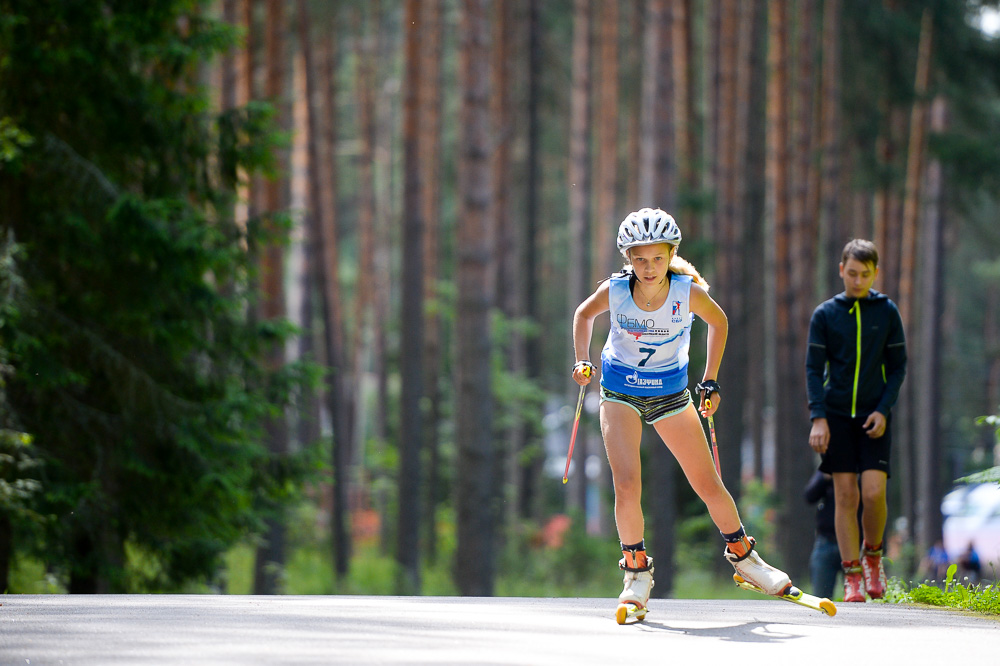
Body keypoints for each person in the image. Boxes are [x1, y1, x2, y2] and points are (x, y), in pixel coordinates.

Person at [573, 208, 793, 617]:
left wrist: (710, 379)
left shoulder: (687, 291)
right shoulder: (616, 290)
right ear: (628, 259)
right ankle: (636, 572)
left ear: (670, 254)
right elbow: (584, 314)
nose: (649, 267)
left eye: (658, 258)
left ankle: (746, 560)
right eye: (639, 259)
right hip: (620, 392)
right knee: (626, 484)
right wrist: (582, 358)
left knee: (707, 483)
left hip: (671, 396)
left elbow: (720, 322)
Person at [806, 239, 907, 602]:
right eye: (852, 273)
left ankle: (873, 558)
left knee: (874, 492)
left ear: (875, 273)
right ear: (841, 270)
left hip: (873, 416)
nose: (858, 280)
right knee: (845, 495)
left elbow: (897, 367)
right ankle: (851, 576)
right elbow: (814, 370)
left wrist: (883, 408)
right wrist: (818, 418)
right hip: (835, 417)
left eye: (865, 274)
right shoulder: (826, 314)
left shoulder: (886, 311)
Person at [804, 471, 842, 600]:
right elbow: (809, 496)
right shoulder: (829, 468)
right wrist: (825, 477)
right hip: (826, 541)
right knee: (820, 600)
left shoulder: (863, 469)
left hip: (856, 545)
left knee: (859, 599)